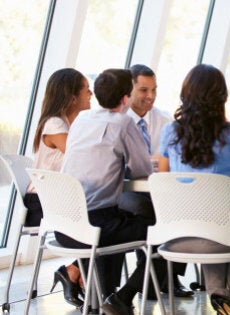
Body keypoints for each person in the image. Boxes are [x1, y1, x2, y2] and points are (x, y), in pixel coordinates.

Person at [157, 64, 230, 313]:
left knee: (214, 227)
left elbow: (162, 178)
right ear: (222, 97)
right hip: (218, 235)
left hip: (176, 235)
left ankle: (220, 296)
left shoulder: (170, 132)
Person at [60, 68, 167, 314]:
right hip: (96, 227)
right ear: (125, 98)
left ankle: (102, 295)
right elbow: (141, 170)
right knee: (165, 233)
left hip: (66, 225)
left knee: (126, 217)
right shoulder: (123, 122)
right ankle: (121, 297)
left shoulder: (82, 119)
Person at [120, 64, 192, 298]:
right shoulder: (118, 120)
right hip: (126, 188)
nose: (149, 96)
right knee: (148, 210)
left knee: (182, 208)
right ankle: (155, 278)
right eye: (143, 90)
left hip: (159, 186)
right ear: (129, 90)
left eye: (154, 90)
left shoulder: (164, 120)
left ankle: (168, 276)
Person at [23, 68, 91, 308]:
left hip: (55, 199)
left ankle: (77, 273)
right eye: (86, 89)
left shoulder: (65, 124)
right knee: (105, 222)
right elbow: (78, 159)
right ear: (72, 96)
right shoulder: (54, 124)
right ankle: (77, 273)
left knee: (107, 218)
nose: (91, 93)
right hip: (42, 203)